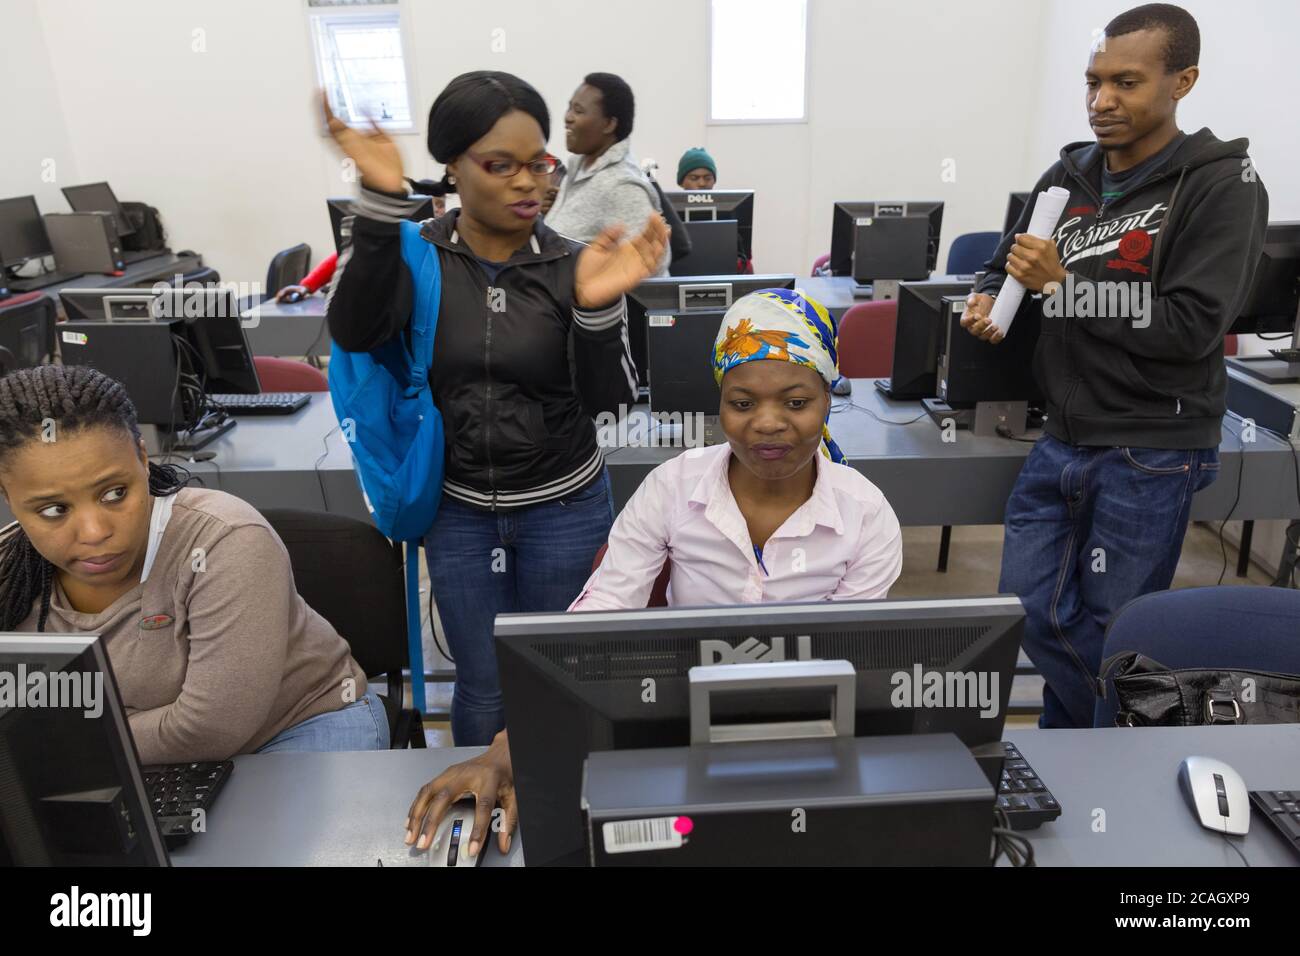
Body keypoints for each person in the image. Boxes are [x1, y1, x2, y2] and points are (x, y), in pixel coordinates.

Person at [403, 288, 902, 855]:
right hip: (675, 726)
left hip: (812, 739)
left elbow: (854, 657)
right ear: (720, 401)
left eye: (795, 403)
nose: (767, 424)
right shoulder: (674, 487)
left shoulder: (865, 514)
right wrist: (509, 744)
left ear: (827, 399)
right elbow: (598, 616)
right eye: (742, 403)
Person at [324, 72, 668, 748]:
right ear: (452, 167)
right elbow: (356, 330)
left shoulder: (574, 262)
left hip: (563, 510)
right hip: (458, 514)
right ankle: (486, 825)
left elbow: (614, 401)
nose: (526, 183)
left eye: (537, 163)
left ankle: (563, 819)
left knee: (560, 676)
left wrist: (597, 310)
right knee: (482, 682)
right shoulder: (419, 254)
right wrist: (380, 208)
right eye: (498, 165)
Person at [960, 3, 1268, 727]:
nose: (1102, 101)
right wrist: (983, 298)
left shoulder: (1224, 185)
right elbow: (1000, 263)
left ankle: (1093, 763)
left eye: (1126, 83)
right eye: (1093, 81)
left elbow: (1191, 328)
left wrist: (1064, 287)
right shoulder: (1070, 173)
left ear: (1182, 81)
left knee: (1115, 628)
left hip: (1153, 446)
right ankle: (1120, 730)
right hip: (1062, 433)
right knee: (1030, 611)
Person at [0, 365, 384, 764]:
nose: (95, 532)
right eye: (54, 509)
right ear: (8, 496)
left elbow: (208, 730)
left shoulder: (225, 541)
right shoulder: (10, 568)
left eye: (115, 492)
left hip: (299, 725)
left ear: (143, 459)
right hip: (129, 752)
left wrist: (53, 741)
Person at [544, 72, 671, 275]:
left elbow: (653, 264)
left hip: (587, 306)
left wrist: (586, 287)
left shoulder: (621, 186)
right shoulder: (579, 169)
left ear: (609, 124)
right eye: (569, 107)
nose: (567, 117)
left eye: (578, 111)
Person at [274, 180, 448, 303]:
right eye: (434, 205)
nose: (438, 211)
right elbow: (343, 256)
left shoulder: (449, 236)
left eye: (441, 205)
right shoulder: (400, 233)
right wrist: (306, 286)